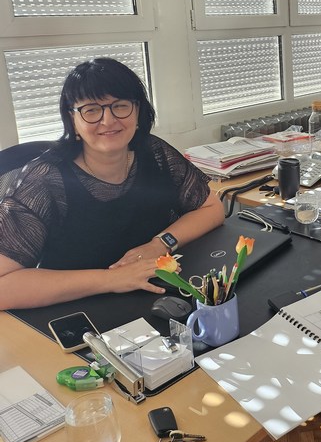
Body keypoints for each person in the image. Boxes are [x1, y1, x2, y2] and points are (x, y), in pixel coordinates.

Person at [0, 58, 224, 310]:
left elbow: (211, 208)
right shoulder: (44, 180)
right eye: (91, 110)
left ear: (137, 111)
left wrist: (161, 243)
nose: (108, 120)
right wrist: (113, 279)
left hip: (154, 294)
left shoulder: (154, 152)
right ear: (72, 119)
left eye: (120, 106)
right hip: (79, 311)